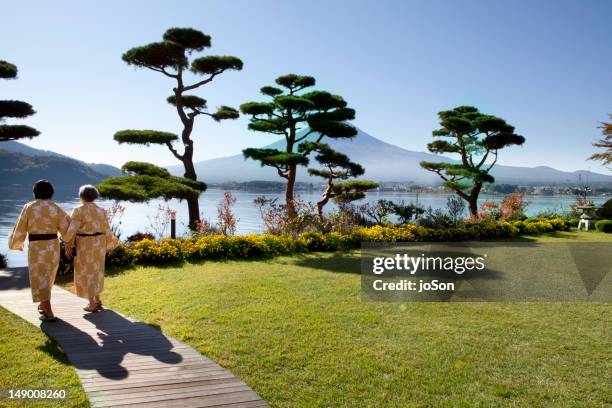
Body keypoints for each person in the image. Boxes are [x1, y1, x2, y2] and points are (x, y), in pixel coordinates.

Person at [9, 180, 71, 322]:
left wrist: (17, 243)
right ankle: (44, 306)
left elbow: (20, 227)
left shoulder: (29, 207)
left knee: (39, 277)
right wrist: (69, 241)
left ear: (35, 192)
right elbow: (66, 228)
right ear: (51, 192)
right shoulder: (56, 208)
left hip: (36, 247)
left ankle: (48, 311)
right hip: (52, 246)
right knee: (48, 277)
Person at [65, 185, 118, 313]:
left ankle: (91, 303)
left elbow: (72, 230)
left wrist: (68, 244)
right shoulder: (101, 210)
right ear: (95, 196)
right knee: (97, 270)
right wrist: (110, 244)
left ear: (81, 196)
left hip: (85, 244)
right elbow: (106, 229)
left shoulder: (78, 210)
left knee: (86, 271)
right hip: (99, 243)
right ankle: (98, 299)